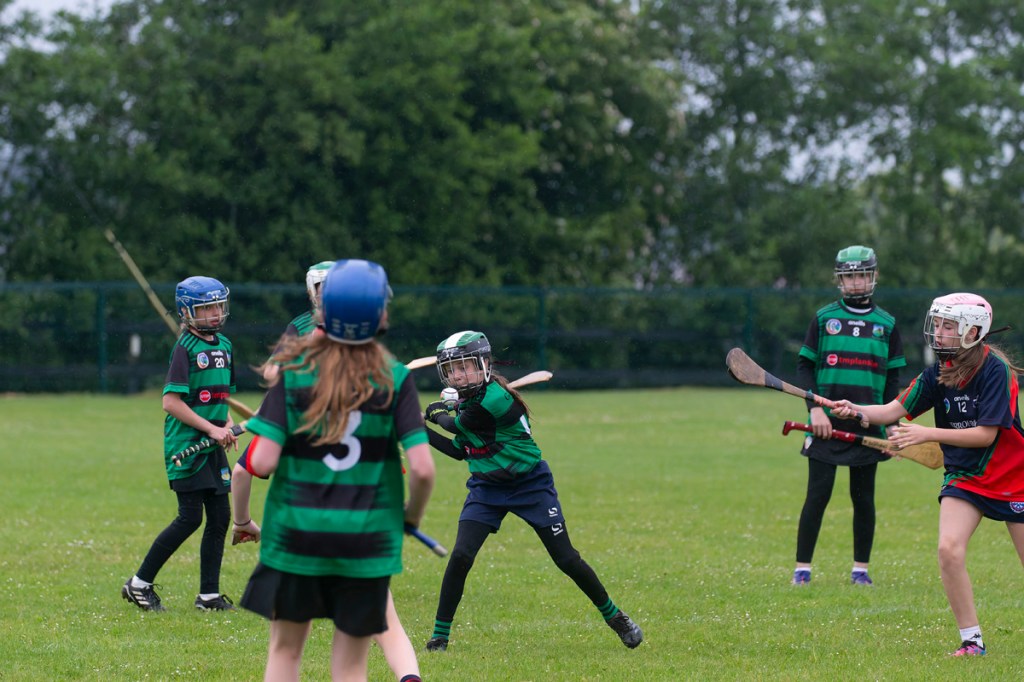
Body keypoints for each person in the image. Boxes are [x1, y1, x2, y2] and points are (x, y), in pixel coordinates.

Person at [238, 259, 435, 682]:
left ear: (323, 312)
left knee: (285, 652)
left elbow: (262, 461)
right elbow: (422, 470)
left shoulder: (294, 373)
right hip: (366, 539)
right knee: (349, 667)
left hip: (296, 535)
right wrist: (411, 517)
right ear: (380, 316)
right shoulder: (396, 378)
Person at [421, 330, 643, 652]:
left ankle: (616, 618)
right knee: (461, 556)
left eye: (464, 367)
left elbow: (456, 426)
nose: (458, 375)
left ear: (484, 364)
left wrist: (438, 412)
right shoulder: (471, 404)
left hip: (530, 485)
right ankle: (439, 637)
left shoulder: (494, 400)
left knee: (566, 559)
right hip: (486, 488)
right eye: (452, 369)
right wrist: (419, 428)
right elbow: (459, 450)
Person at [832, 292, 1024, 657]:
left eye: (948, 326)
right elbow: (892, 411)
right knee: (948, 550)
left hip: (1014, 476)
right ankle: (972, 641)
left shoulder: (995, 371)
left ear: (972, 331)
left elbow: (986, 435)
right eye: (936, 324)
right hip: (965, 476)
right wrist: (855, 409)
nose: (938, 332)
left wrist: (927, 434)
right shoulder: (938, 372)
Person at [121, 275, 239, 612]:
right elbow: (171, 402)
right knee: (189, 518)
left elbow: (221, 396)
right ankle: (138, 584)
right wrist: (211, 429)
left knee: (220, 517)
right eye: (207, 308)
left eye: (218, 306)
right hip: (186, 447)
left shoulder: (225, 346)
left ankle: (209, 596)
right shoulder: (184, 349)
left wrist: (226, 424)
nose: (215, 313)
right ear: (187, 312)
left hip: (211, 446)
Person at [791, 245, 906, 587]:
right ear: (839, 280)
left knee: (863, 499)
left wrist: (891, 425)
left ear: (874, 276)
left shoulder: (887, 325)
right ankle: (802, 570)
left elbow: (893, 381)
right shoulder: (824, 319)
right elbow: (804, 367)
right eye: (849, 276)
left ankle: (860, 570)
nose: (856, 282)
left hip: (868, 426)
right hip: (825, 426)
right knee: (817, 496)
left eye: (862, 275)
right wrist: (815, 410)